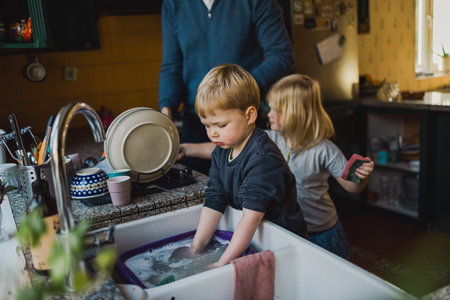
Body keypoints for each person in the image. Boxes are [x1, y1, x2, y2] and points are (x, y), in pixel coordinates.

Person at [184, 64, 307, 268]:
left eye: (221, 125)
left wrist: (223, 263)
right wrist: (196, 248)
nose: (213, 133)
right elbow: (215, 198)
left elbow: (251, 218)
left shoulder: (262, 158)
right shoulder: (223, 149)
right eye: (207, 125)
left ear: (250, 116)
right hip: (257, 238)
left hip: (285, 243)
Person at [159, 0, 294, 174]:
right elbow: (172, 65)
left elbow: (281, 55)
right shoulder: (173, 4)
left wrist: (237, 87)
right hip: (196, 122)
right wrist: (165, 117)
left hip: (240, 121)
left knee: (250, 189)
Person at [264, 74, 374, 259]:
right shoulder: (269, 140)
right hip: (288, 229)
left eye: (276, 110)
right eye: (270, 108)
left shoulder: (324, 149)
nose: (269, 114)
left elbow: (352, 187)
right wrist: (195, 148)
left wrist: (361, 177)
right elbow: (229, 146)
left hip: (321, 231)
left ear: (295, 113)